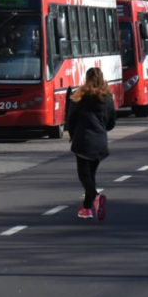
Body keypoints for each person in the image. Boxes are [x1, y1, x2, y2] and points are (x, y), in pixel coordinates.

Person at [66, 67, 116, 221]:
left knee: (83, 175)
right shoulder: (107, 98)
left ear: (86, 79)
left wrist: (72, 134)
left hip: (82, 140)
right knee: (91, 174)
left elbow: (70, 119)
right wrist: (102, 128)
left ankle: (96, 197)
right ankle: (86, 208)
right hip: (99, 142)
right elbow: (111, 122)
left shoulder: (80, 96)